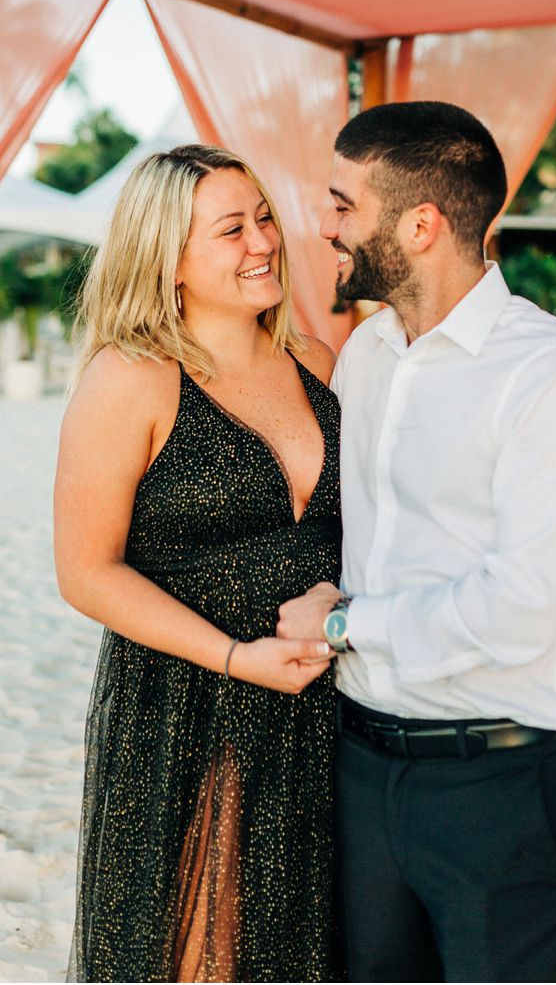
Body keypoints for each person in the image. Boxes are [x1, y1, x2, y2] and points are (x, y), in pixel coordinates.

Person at [276, 101, 556, 982]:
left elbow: (521, 609)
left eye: (344, 205)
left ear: (420, 224)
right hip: (358, 766)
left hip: (497, 788)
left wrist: (346, 624)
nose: (324, 225)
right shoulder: (366, 356)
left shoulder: (550, 373)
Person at [54, 146, 343, 981]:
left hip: (314, 708)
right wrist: (233, 655)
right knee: (198, 949)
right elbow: (85, 571)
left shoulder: (318, 364)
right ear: (168, 257)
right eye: (231, 228)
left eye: (263, 217)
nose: (264, 241)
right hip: (186, 709)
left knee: (296, 944)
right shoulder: (132, 379)